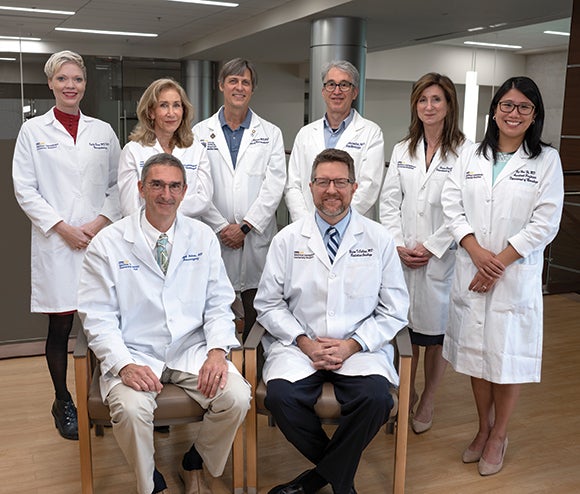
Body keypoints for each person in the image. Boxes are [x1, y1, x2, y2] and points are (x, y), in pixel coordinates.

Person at [77, 153, 251, 494]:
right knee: (130, 409)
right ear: (141, 188)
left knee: (238, 397)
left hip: (191, 350)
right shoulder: (108, 244)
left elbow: (219, 302)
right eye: (156, 184)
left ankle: (195, 462)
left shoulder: (201, 237)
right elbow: (97, 317)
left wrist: (218, 351)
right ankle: (150, 484)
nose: (165, 195)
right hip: (134, 352)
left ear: (184, 191)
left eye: (174, 186)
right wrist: (124, 364)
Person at [254, 148, 409, 494]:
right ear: (310, 187)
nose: (331, 190)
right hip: (300, 347)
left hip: (358, 348)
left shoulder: (379, 239)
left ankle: (314, 480)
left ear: (355, 187)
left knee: (377, 400)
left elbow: (395, 308)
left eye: (340, 181)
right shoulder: (288, 239)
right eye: (323, 181)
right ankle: (340, 478)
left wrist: (352, 344)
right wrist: (304, 343)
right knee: (280, 397)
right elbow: (268, 303)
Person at [441, 77, 564, 476]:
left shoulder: (546, 160)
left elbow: (545, 222)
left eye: (523, 107)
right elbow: (451, 205)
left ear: (534, 115)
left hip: (512, 277)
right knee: (478, 359)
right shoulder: (471, 156)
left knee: (505, 359)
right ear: (494, 110)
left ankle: (499, 435)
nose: (514, 113)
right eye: (507, 105)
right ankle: (482, 429)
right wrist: (476, 251)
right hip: (473, 269)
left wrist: (499, 264)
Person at [12, 50, 121, 441]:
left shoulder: (103, 131)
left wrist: (94, 226)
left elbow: (118, 186)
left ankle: (102, 399)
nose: (70, 85)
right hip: (57, 244)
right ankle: (63, 402)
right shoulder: (33, 132)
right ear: (51, 84)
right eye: (63, 79)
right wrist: (62, 228)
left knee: (101, 325)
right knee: (60, 327)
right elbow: (25, 189)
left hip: (97, 241)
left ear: (85, 84)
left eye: (77, 79)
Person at [379, 73, 468, 434]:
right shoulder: (403, 149)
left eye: (436, 100)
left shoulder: (466, 152)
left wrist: (431, 248)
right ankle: (405, 393)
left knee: (434, 337)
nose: (429, 107)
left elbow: (463, 209)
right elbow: (389, 201)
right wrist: (398, 242)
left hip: (441, 260)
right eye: (422, 100)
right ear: (415, 106)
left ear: (449, 106)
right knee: (405, 335)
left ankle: (428, 398)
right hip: (403, 258)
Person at [193, 58, 286, 341]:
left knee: (257, 309)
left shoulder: (270, 133)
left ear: (252, 89)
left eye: (245, 82)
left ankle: (256, 371)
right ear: (221, 85)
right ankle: (223, 372)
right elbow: (196, 187)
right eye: (233, 81)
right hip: (215, 235)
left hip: (254, 237)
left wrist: (245, 226)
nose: (239, 87)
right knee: (216, 310)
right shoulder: (199, 133)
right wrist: (222, 227)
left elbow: (274, 186)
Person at [284, 60, 385, 222]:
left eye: (344, 85)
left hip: (353, 224)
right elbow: (293, 186)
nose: (337, 91)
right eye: (331, 84)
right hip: (309, 224)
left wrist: (338, 221)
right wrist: (306, 221)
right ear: (323, 91)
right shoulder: (305, 133)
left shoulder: (371, 133)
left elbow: (369, 186)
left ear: (355, 92)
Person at [118, 78, 212, 218]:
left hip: (188, 233)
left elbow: (204, 200)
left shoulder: (197, 149)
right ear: (151, 112)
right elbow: (129, 207)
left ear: (183, 110)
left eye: (176, 105)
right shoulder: (133, 151)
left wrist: (159, 206)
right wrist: (165, 212)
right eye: (163, 105)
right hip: (146, 234)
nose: (171, 113)